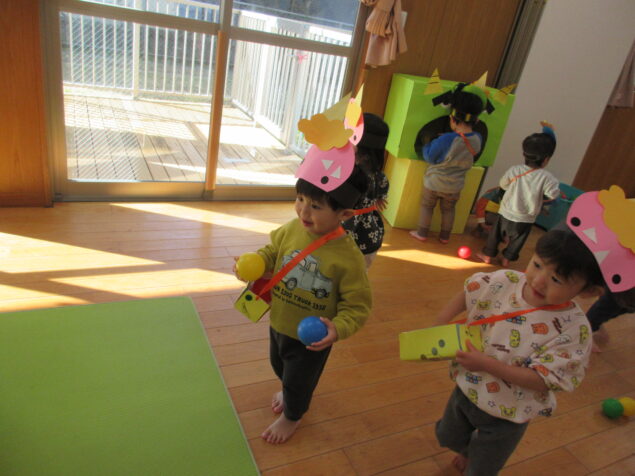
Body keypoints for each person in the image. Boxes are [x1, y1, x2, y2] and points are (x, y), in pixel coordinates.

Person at [433, 227, 604, 475]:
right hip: (468, 386)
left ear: (588, 291)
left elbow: (544, 379)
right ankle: (466, 450)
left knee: (483, 466)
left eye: (556, 279)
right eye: (537, 264)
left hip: (510, 411)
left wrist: (487, 364)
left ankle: (474, 459)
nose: (538, 281)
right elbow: (471, 291)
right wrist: (440, 322)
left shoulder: (574, 330)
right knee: (448, 436)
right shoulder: (507, 281)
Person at [247, 164, 372, 445]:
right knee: (279, 365)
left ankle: (292, 416)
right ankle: (287, 390)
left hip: (312, 340)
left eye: (315, 206)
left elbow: (358, 306)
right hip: (280, 320)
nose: (303, 211)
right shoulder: (292, 228)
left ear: (344, 214)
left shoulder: (349, 258)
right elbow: (273, 251)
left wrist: (338, 328)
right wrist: (257, 262)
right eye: (300, 199)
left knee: (299, 380)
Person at [410, 83, 485, 244]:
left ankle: (422, 233)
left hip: (434, 183)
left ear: (452, 119)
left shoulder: (446, 139)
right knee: (449, 210)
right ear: (477, 120)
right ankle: (445, 236)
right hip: (455, 186)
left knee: (427, 206)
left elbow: (430, 157)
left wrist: (430, 144)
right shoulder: (478, 138)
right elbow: (468, 148)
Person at [477, 122, 560, 266]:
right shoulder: (548, 178)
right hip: (526, 218)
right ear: (546, 159)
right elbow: (553, 195)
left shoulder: (514, 170)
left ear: (524, 154)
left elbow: (503, 184)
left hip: (506, 212)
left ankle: (487, 255)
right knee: (518, 240)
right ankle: (507, 259)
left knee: (495, 235)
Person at [343, 113, 390, 267]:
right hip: (370, 235)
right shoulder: (378, 174)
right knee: (360, 272)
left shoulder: (351, 174)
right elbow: (383, 186)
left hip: (351, 234)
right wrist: (380, 197)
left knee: (347, 269)